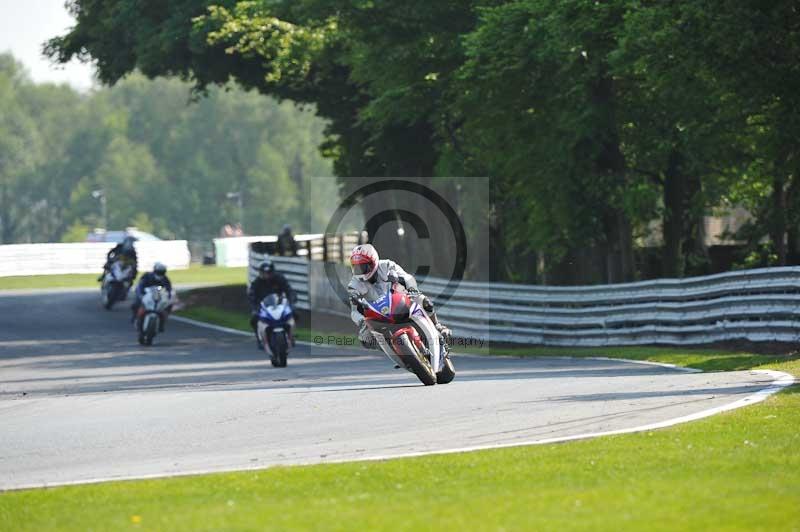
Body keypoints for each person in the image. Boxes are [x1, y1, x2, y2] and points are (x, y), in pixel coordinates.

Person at [347, 244, 451, 349]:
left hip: (399, 302)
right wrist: (361, 320)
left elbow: (407, 277)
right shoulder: (353, 285)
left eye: (363, 266)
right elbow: (354, 311)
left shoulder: (387, 265)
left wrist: (412, 290)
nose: (359, 271)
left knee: (423, 301)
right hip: (379, 316)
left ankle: (437, 326)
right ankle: (395, 350)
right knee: (365, 338)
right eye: (356, 267)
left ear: (373, 262)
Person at [248, 260, 297, 348]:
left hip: (280, 304)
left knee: (295, 314)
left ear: (273, 272)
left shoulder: (279, 279)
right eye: (264, 273)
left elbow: (289, 290)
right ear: (260, 272)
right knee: (254, 319)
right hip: (264, 307)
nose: (266, 275)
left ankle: (291, 334)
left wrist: (291, 302)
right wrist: (255, 308)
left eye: (268, 273)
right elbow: (252, 296)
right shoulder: (256, 283)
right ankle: (259, 339)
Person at [131, 262, 173, 331]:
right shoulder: (147, 276)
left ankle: (162, 324)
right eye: (158, 272)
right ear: (154, 270)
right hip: (146, 295)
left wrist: (169, 297)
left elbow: (169, 289)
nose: (160, 274)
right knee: (136, 304)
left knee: (168, 306)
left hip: (158, 297)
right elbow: (140, 285)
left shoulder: (165, 279)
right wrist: (140, 294)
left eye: (162, 272)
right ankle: (135, 317)